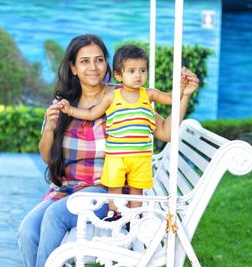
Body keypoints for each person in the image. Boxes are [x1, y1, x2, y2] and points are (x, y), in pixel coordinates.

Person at [17, 34, 199, 267]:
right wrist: (50, 128)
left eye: (99, 59)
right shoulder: (64, 103)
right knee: (27, 231)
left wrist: (184, 95)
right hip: (66, 190)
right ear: (73, 67)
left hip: (105, 192)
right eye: (84, 61)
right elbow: (47, 157)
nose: (93, 67)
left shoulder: (123, 96)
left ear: (107, 64)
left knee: (54, 217)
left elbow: (164, 130)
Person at [58, 45, 186, 219]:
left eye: (143, 70)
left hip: (140, 157)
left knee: (136, 189)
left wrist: (183, 88)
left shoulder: (148, 95)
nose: (138, 76)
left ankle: (134, 217)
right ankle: (113, 213)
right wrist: (70, 110)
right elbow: (91, 113)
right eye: (132, 71)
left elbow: (172, 99)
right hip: (116, 156)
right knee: (114, 186)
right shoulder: (112, 96)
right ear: (118, 75)